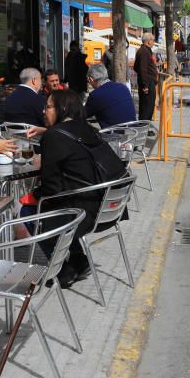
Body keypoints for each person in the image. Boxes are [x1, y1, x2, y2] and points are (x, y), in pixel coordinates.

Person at [32, 89, 126, 286]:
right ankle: (79, 260)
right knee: (56, 203)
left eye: (48, 107)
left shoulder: (53, 137)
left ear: (62, 108)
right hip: (106, 208)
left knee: (29, 210)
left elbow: (51, 188)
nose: (43, 111)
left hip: (83, 215)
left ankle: (62, 271)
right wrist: (47, 132)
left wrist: (34, 192)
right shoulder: (89, 129)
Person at [84, 63, 137, 128]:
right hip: (134, 132)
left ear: (91, 79)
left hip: (113, 135)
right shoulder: (123, 87)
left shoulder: (96, 95)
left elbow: (82, 115)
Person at [133, 32, 158, 121]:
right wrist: (145, 85)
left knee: (145, 106)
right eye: (153, 40)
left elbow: (136, 67)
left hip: (146, 82)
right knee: (148, 106)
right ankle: (145, 127)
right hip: (147, 83)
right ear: (148, 41)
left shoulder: (142, 50)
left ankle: (143, 125)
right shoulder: (144, 51)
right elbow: (143, 69)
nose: (153, 42)